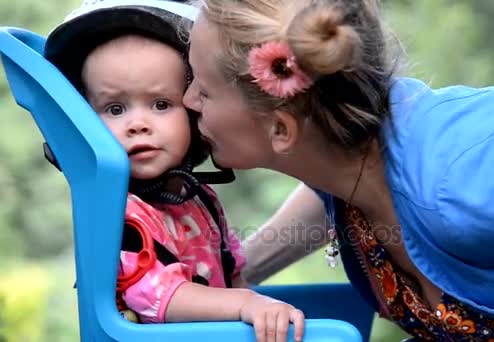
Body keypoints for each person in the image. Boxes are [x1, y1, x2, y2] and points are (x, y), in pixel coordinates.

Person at [182, 0, 494, 340]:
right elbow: (324, 190)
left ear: (280, 128)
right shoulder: (347, 165)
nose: (187, 101)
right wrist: (232, 276)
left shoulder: (467, 179)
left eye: (203, 89)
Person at [43, 1, 305, 341]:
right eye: (115, 108)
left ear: (193, 110)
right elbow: (158, 297)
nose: (137, 124)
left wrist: (258, 309)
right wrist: (245, 304)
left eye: (161, 104)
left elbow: (232, 275)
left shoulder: (198, 199)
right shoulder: (117, 213)